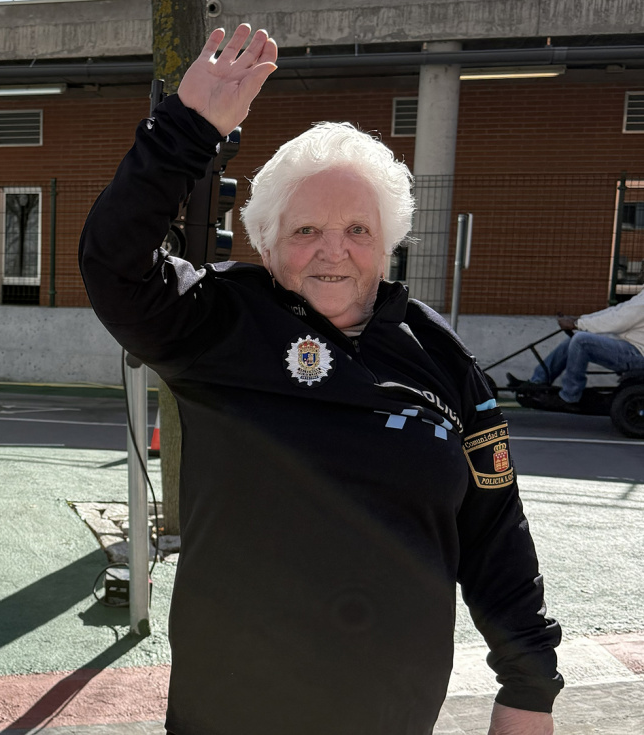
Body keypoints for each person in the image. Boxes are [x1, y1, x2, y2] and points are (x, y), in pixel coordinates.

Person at [80, 24, 561, 735]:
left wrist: (529, 687)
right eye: (305, 231)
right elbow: (114, 264)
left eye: (357, 230)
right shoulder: (218, 323)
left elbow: (496, 532)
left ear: (387, 240)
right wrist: (186, 128)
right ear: (267, 242)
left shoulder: (440, 356)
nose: (333, 252)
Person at [514, 292, 644, 411]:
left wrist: (578, 323)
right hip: (631, 348)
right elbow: (616, 311)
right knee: (573, 341)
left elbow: (618, 321)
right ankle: (537, 382)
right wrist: (579, 319)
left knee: (581, 340)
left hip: (637, 354)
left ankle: (570, 396)